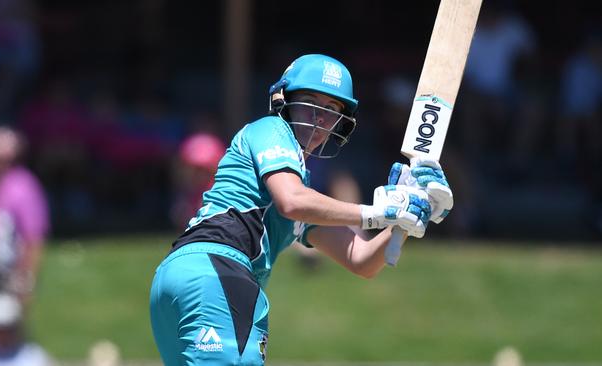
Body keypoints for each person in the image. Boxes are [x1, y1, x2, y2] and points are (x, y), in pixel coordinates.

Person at [149, 54, 454, 365]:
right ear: (284, 101)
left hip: (182, 278)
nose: (319, 119)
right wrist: (379, 209)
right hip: (216, 270)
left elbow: (361, 261)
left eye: (332, 110)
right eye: (310, 102)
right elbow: (291, 201)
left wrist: (409, 213)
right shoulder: (270, 129)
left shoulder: (303, 191)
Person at [0, 126, 50, 305]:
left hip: (9, 274)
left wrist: (25, 285)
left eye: (4, 160)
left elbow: (33, 239)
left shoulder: (23, 187)